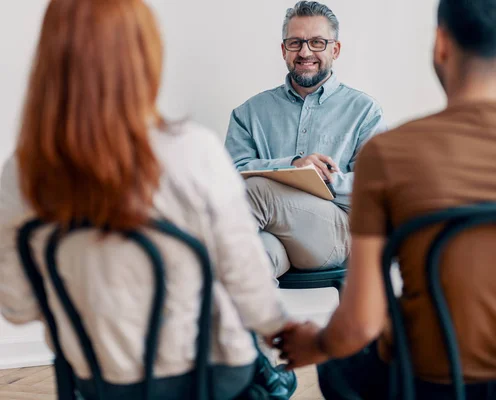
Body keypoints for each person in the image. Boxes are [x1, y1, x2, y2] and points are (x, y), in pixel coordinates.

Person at [275, 0, 496, 399]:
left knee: (339, 365)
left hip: (418, 382)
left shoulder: (389, 153)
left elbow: (358, 326)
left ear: (441, 44)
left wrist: (316, 344)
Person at [0, 1, 296, 399]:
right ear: (146, 55)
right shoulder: (195, 152)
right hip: (206, 377)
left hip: (98, 379)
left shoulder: (22, 171)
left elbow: (17, 305)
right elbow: (255, 296)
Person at [225, 1, 386, 278]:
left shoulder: (364, 111)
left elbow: (376, 189)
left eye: (317, 42)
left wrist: (322, 178)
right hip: (269, 231)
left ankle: (184, 289)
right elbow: (228, 178)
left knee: (257, 190)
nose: (305, 52)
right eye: (295, 43)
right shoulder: (248, 113)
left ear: (334, 50)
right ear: (283, 50)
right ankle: (265, 321)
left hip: (334, 233)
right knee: (253, 260)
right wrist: (292, 166)